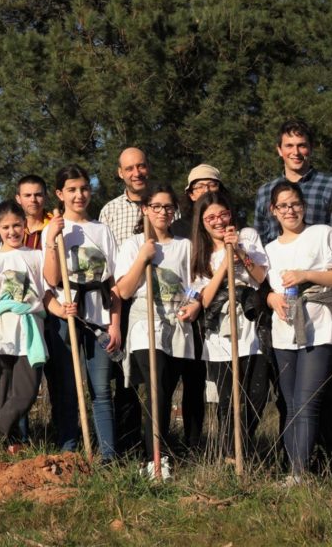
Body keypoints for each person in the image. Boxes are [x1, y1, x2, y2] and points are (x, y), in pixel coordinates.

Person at [262, 180, 332, 484]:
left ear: (304, 206)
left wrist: (306, 275)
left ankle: (301, 473)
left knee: (306, 401)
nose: (290, 210)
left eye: (295, 204)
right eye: (283, 205)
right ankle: (294, 471)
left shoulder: (322, 233)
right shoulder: (269, 249)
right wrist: (270, 297)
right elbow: (264, 286)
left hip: (319, 328)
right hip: (284, 332)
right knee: (289, 404)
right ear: (273, 211)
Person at [113, 183, 204, 474]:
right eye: (156, 207)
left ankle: (159, 450)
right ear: (145, 210)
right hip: (145, 323)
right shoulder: (132, 245)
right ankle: (154, 457)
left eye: (168, 207)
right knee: (157, 387)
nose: (163, 212)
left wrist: (193, 303)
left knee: (166, 389)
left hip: (176, 323)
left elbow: (195, 284)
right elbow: (124, 291)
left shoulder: (184, 246)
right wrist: (142, 258)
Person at [0, 200, 75, 452]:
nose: (12, 232)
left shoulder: (37, 256)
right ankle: (6, 448)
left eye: (17, 225)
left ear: (24, 226)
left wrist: (61, 310)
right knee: (0, 395)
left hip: (30, 333)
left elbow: (46, 294)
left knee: (26, 392)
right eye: (6, 227)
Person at [42, 165, 121, 461]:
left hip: (99, 317)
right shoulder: (54, 230)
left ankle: (108, 456)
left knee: (101, 389)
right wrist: (52, 238)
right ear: (60, 194)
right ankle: (69, 450)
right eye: (72, 190)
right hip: (68, 318)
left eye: (84, 188)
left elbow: (114, 282)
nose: (79, 195)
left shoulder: (102, 230)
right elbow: (50, 279)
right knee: (68, 388)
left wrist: (115, 325)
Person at [189, 191, 270, 457]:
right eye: (210, 217)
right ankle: (231, 455)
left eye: (222, 214)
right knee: (228, 400)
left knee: (257, 396)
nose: (218, 221)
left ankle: (239, 447)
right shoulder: (199, 251)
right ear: (202, 221)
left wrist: (238, 251)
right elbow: (204, 297)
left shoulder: (247, 236)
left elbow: (259, 277)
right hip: (220, 329)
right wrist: (224, 263)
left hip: (250, 324)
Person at [97, 147, 150, 454]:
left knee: (155, 377)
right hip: (122, 302)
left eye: (141, 166)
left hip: (158, 301)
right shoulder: (110, 211)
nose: (136, 173)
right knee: (124, 377)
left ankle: (156, 445)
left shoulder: (165, 206)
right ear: (120, 173)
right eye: (129, 168)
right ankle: (127, 444)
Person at [171, 164, 223, 238]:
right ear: (191, 195)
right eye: (200, 186)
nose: (206, 190)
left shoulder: (229, 221)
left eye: (212, 185)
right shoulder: (179, 228)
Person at [16, 174, 51, 249]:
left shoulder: (55, 226)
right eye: (27, 195)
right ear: (18, 199)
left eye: (38, 195)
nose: (33, 200)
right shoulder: (11, 229)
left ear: (46, 197)